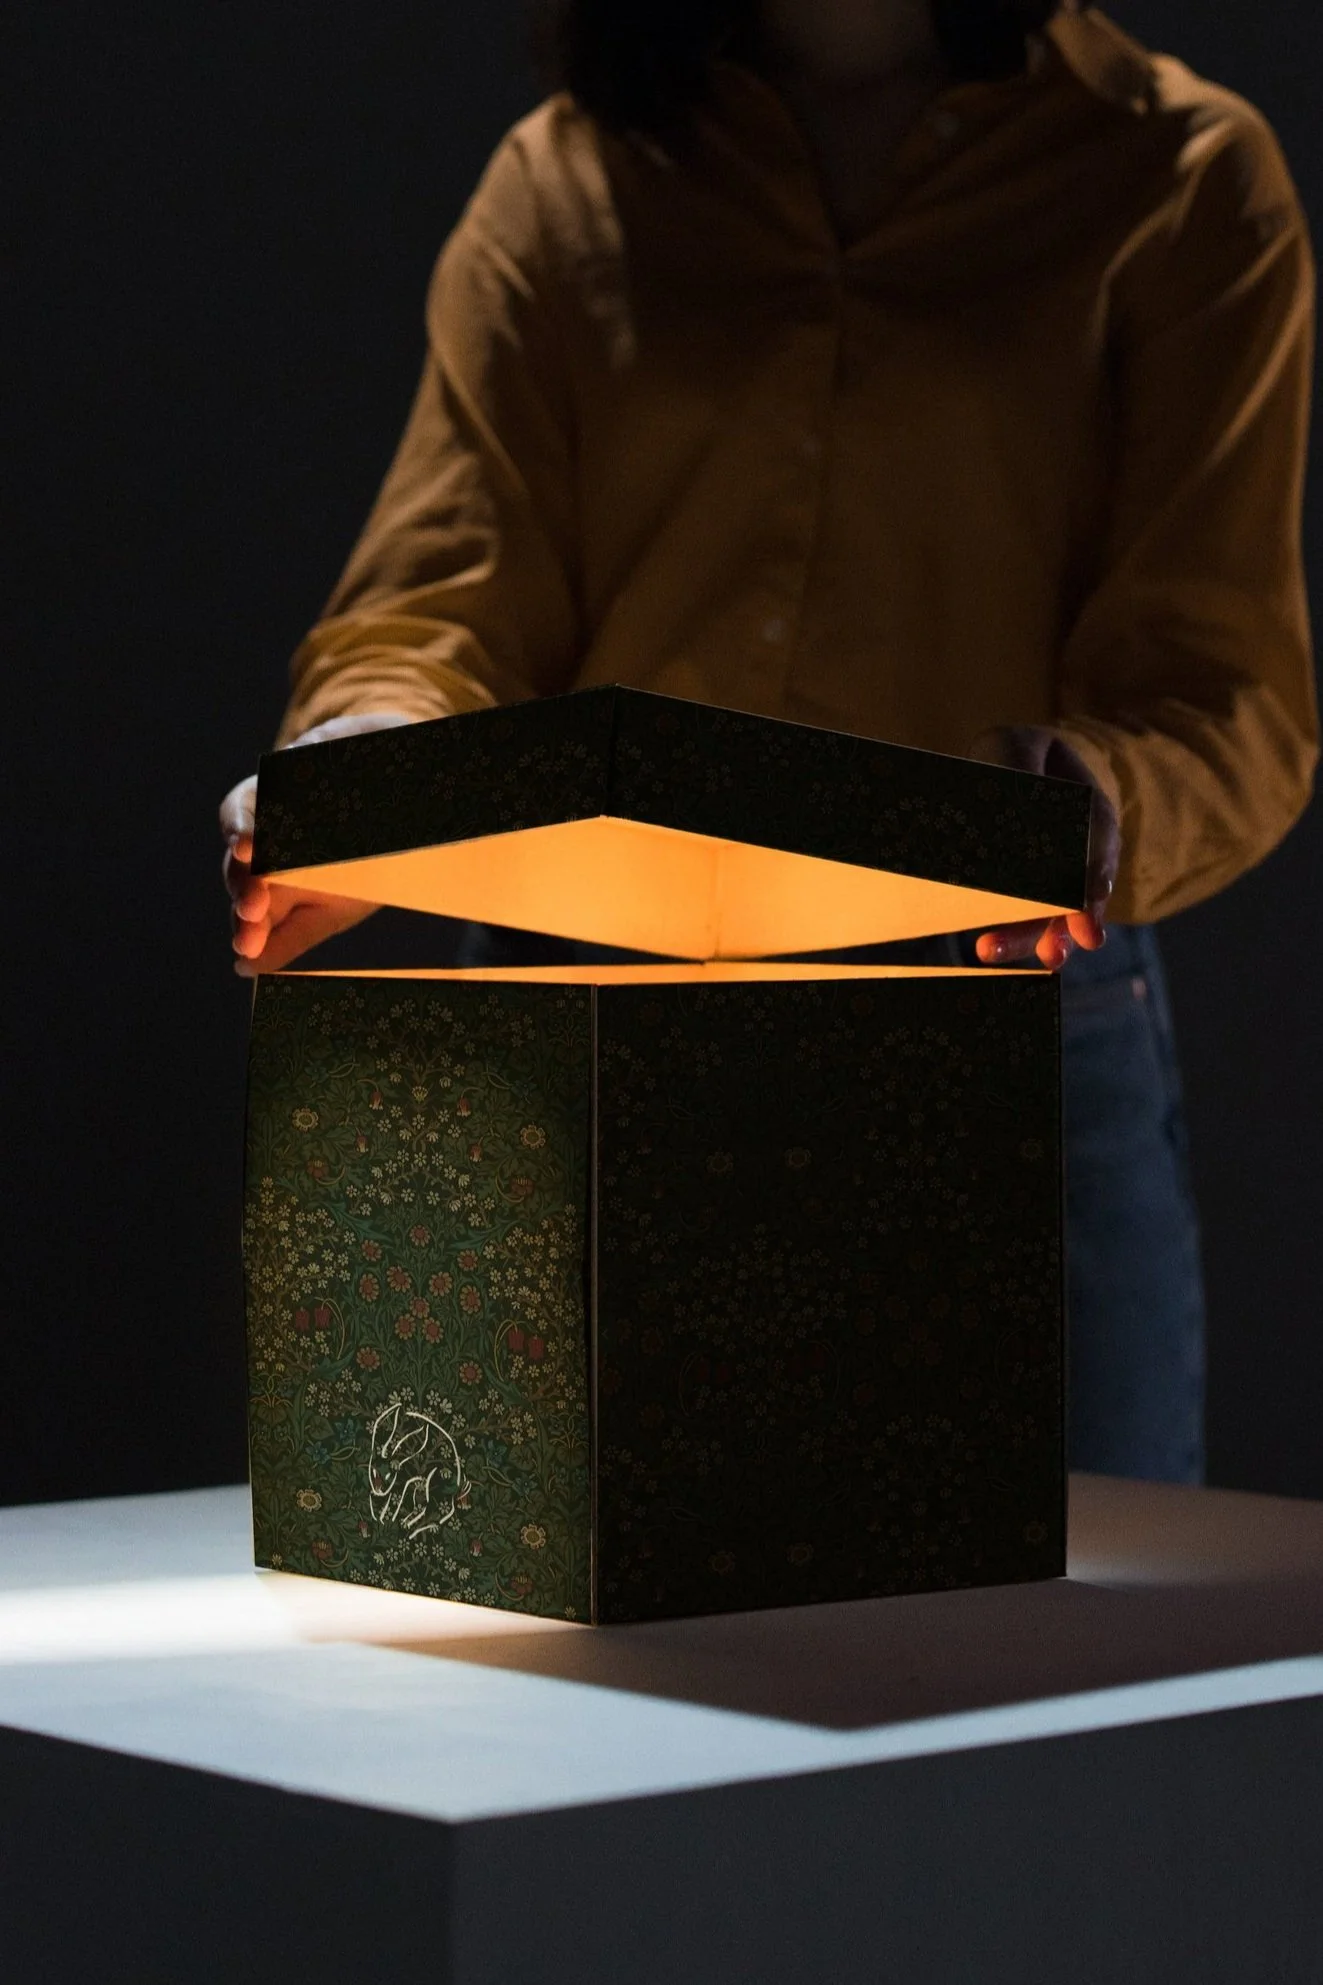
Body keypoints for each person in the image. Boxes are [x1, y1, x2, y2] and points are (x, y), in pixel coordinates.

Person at [220, 0, 1318, 1484]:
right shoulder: (567, 176)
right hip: (594, 1018)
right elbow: (442, 605)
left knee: (1053, 1609)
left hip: (991, 1013)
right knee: (573, 1607)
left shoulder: (1180, 174)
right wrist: (367, 776)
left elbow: (1224, 684)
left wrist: (1100, 799)